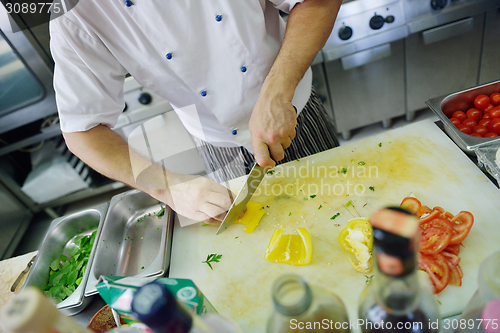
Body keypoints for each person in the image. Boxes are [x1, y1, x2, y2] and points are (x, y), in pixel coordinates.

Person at [50, 0, 342, 224]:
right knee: (258, 241)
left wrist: (277, 94)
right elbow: (81, 130)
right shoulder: (72, 13)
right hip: (216, 144)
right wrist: (169, 188)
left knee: (339, 212)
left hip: (294, 113)